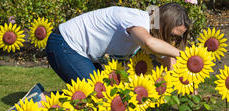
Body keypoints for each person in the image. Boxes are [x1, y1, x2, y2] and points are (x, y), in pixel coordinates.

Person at [45, 3, 190, 83]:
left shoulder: (152, 27)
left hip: (81, 52)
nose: (174, 41)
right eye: (173, 35)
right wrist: (184, 55)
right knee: (94, 94)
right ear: (164, 24)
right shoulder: (138, 20)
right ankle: (41, 99)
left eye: (177, 38)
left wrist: (196, 101)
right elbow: (149, 43)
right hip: (64, 44)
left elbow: (173, 68)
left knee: (107, 92)